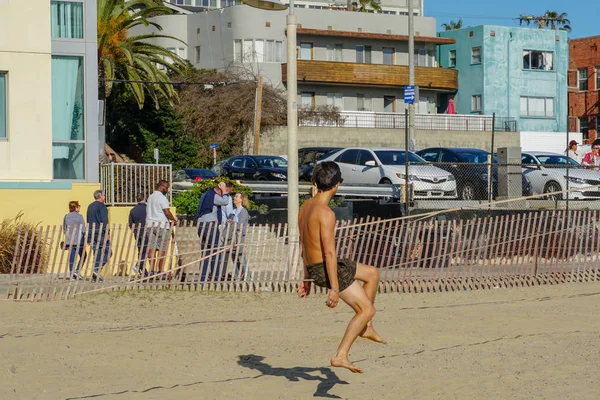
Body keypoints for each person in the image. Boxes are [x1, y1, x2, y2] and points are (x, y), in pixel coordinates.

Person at [297, 161, 386, 374]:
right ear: (338, 184)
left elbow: (304, 243)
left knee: (373, 274)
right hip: (327, 269)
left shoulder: (305, 206)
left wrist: (306, 277)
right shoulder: (326, 213)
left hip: (316, 267)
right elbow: (329, 253)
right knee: (367, 309)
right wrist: (334, 288)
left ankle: (367, 327)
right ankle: (340, 355)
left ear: (315, 182)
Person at [196, 181, 234, 281]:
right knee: (216, 252)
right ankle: (215, 276)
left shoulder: (205, 194)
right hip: (210, 225)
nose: (225, 194)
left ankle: (203, 277)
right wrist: (224, 191)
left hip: (201, 225)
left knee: (206, 252)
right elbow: (225, 201)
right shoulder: (214, 196)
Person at [146, 180, 177, 277]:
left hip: (150, 224)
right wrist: (173, 220)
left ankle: (151, 271)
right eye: (166, 187)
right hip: (161, 225)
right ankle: (160, 271)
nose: (167, 190)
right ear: (161, 186)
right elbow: (166, 212)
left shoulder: (150, 197)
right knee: (162, 249)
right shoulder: (162, 198)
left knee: (152, 248)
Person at [87, 190, 111, 282]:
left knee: (97, 253)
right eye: (104, 195)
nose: (104, 197)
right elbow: (104, 221)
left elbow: (88, 221)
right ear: (100, 196)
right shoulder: (102, 206)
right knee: (108, 252)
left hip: (92, 232)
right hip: (100, 233)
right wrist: (107, 233)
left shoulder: (90, 206)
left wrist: (89, 237)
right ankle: (96, 270)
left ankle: (95, 274)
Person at [228, 192, 250, 280]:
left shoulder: (243, 211)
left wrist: (231, 223)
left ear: (241, 199)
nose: (235, 198)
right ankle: (237, 275)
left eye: (237, 197)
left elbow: (240, 225)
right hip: (232, 236)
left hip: (240, 236)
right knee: (234, 256)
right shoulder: (233, 211)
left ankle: (248, 275)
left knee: (241, 256)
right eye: (235, 196)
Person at [63, 201, 87, 280]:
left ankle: (72, 275)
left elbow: (65, 229)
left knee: (72, 258)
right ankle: (77, 271)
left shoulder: (66, 216)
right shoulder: (80, 217)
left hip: (70, 241)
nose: (79, 207)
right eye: (78, 206)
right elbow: (83, 229)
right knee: (83, 255)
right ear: (76, 207)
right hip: (79, 241)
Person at [128, 193, 148, 277]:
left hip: (137, 232)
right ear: (145, 198)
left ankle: (143, 271)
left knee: (140, 251)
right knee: (146, 251)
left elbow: (130, 224)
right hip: (146, 232)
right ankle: (138, 265)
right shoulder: (147, 209)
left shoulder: (133, 210)